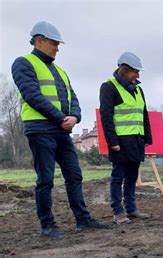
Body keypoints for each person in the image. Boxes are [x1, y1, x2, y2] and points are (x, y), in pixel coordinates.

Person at [11, 21, 111, 237]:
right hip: (40, 129)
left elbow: (72, 98)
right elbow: (32, 95)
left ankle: (83, 220)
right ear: (39, 41)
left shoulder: (60, 72)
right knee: (45, 179)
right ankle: (47, 225)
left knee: (75, 176)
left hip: (61, 131)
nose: (57, 48)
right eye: (54, 44)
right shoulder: (23, 63)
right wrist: (61, 118)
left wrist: (75, 116)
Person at [99, 52, 153, 224]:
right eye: (135, 72)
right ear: (124, 70)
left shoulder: (138, 89)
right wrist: (112, 141)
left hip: (136, 140)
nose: (137, 76)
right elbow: (106, 117)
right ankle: (118, 212)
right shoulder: (109, 87)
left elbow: (143, 115)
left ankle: (131, 209)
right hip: (121, 142)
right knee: (118, 177)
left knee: (132, 176)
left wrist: (147, 137)